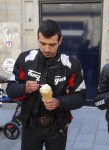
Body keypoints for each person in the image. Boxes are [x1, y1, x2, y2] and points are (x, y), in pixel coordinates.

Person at [6, 19, 86, 150]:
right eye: (42, 43)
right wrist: (24, 88)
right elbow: (10, 90)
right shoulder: (25, 59)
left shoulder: (72, 64)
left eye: (52, 44)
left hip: (58, 127)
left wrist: (59, 102)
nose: (46, 49)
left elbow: (80, 97)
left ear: (60, 40)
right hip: (30, 126)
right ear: (38, 38)